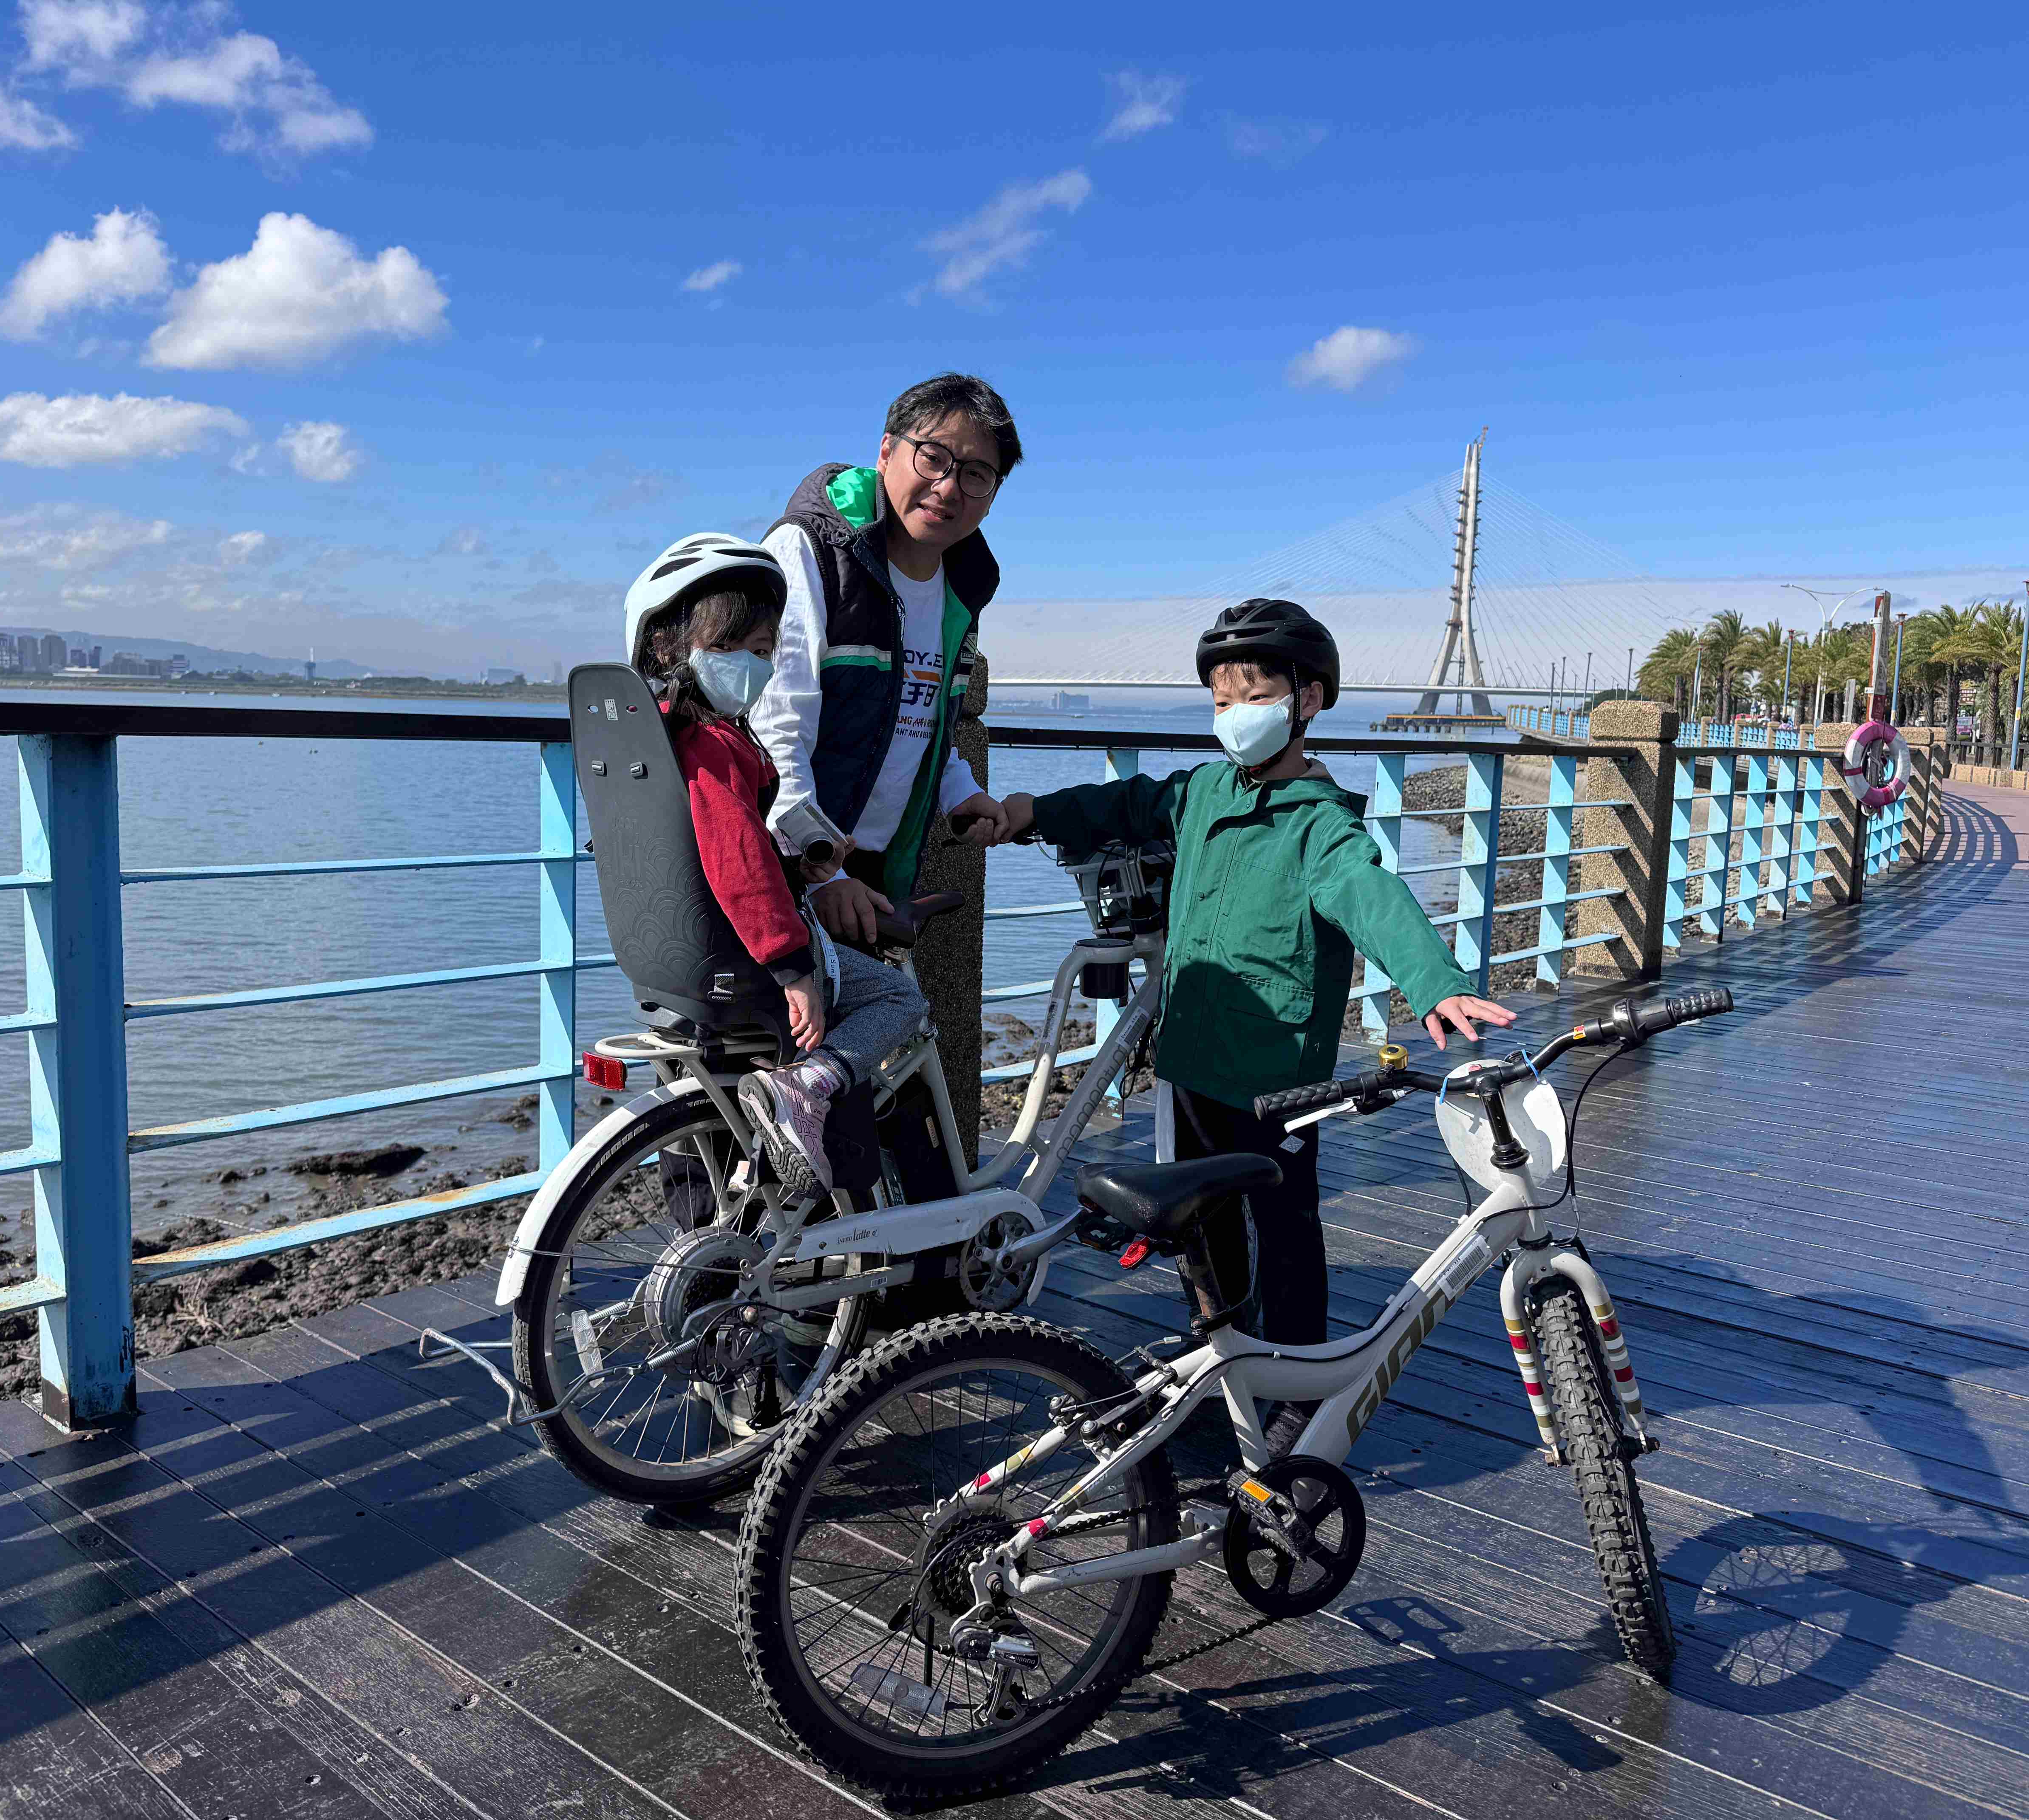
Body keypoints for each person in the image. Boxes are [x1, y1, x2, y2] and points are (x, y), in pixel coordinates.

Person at [991, 599, 1516, 1357]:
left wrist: (1435, 981)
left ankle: (1300, 1375)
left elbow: (1370, 895)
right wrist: (1028, 812)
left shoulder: (1322, 824)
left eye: (1257, 697)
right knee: (1200, 1222)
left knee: (1286, 1227)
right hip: (1192, 1055)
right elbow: (1126, 804)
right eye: (1221, 703)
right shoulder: (1204, 791)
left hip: (1278, 1074)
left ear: (1308, 699)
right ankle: (1222, 1351)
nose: (1236, 716)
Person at [623, 533, 928, 1191]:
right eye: (728, 648)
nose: (751, 665)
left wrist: (800, 866)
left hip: (679, 953)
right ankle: (808, 1087)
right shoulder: (716, 745)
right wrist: (795, 969)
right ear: (668, 648)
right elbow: (737, 859)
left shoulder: (662, 739)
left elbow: (716, 849)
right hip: (751, 956)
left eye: (763, 652)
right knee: (899, 997)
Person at [750, 373, 1015, 947]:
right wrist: (820, 871)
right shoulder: (813, 552)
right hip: (785, 866)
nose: (949, 487)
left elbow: (920, 717)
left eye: (976, 474)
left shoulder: (961, 588)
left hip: (873, 871)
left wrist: (960, 791)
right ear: (887, 452)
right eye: (933, 458)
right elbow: (774, 728)